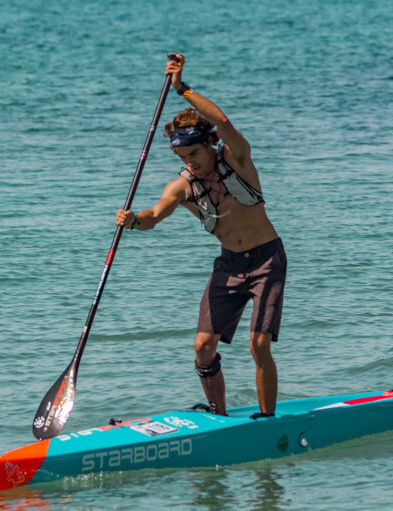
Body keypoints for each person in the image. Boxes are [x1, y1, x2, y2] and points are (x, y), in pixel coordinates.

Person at [115, 54, 286, 418]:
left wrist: (182, 89)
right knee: (202, 347)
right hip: (229, 265)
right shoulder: (182, 187)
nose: (189, 161)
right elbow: (154, 216)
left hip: (267, 259)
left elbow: (222, 121)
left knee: (259, 344)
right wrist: (132, 220)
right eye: (181, 155)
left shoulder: (237, 159)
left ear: (208, 143)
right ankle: (217, 414)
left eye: (194, 152)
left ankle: (267, 420)